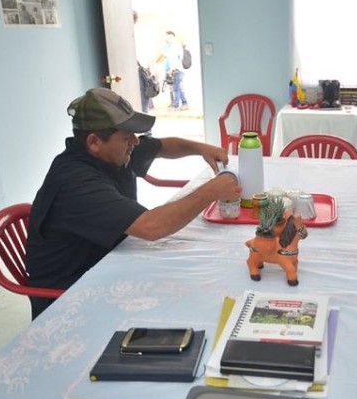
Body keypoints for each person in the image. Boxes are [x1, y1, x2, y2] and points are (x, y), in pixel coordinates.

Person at [25, 87, 240, 320]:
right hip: (70, 297)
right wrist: (211, 190)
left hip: (107, 266)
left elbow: (163, 146)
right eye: (127, 137)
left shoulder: (111, 152)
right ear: (94, 141)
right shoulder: (76, 182)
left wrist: (200, 148)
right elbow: (152, 227)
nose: (135, 143)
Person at [156, 30, 188, 111]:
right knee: (177, 88)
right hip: (171, 70)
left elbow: (177, 60)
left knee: (176, 88)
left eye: (170, 37)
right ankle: (184, 103)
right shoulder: (167, 48)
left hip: (177, 70)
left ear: (173, 37)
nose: (168, 39)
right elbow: (164, 58)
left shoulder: (175, 47)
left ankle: (176, 105)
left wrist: (172, 69)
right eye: (167, 37)